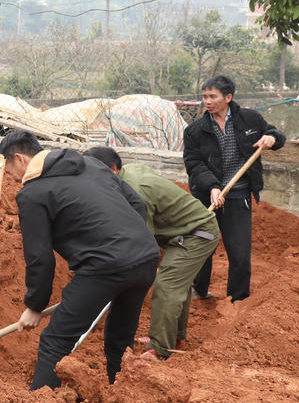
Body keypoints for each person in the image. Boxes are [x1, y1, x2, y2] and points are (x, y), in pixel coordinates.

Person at [0, 130, 158, 390]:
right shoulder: (91, 164)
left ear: (19, 159)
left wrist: (35, 306)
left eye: (9, 171)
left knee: (55, 340)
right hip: (145, 256)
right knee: (120, 338)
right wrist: (128, 247)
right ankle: (123, 397)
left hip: (105, 266)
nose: (12, 179)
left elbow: (39, 257)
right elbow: (137, 204)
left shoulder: (32, 194)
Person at [86, 146, 220, 358]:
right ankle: (174, 336)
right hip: (181, 232)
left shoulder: (135, 191)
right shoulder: (127, 173)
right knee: (178, 285)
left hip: (197, 235)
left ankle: (159, 349)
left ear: (112, 170)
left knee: (167, 285)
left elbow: (141, 241)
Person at [182, 75, 284, 303]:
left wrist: (271, 137)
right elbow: (194, 164)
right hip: (206, 196)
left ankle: (237, 299)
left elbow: (277, 135)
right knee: (203, 245)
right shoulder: (195, 130)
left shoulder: (250, 119)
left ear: (228, 97)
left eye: (212, 96)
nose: (207, 101)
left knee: (239, 252)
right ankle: (199, 290)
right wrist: (213, 187)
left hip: (238, 196)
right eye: (205, 96)